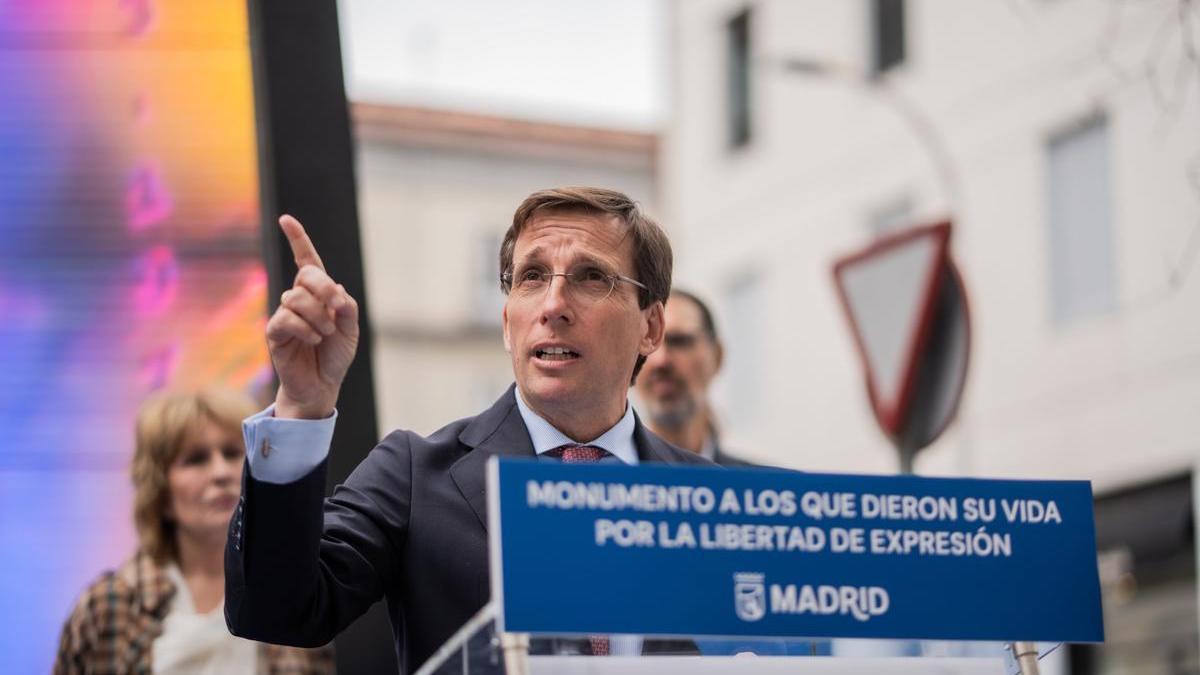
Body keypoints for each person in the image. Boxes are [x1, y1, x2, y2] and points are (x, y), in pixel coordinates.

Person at [224, 187, 712, 673]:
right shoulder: (414, 475)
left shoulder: (711, 499)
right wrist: (300, 407)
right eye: (532, 277)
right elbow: (275, 611)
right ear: (507, 324)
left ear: (650, 327)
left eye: (590, 277)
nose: (553, 305)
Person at [55, 388, 333, 674]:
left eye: (232, 453)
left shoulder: (292, 594)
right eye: (196, 459)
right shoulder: (107, 607)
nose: (220, 472)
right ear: (160, 493)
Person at [635, 289, 756, 467]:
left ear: (717, 356)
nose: (660, 361)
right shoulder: (603, 488)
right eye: (647, 343)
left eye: (679, 341)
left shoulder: (756, 490)